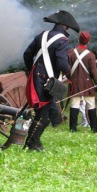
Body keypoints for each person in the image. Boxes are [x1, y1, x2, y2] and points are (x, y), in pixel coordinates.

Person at [23, 10, 80, 151]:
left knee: (51, 113)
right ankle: (31, 143)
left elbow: (27, 54)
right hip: (46, 82)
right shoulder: (62, 40)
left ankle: (34, 142)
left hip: (37, 78)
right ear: (65, 26)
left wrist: (32, 69)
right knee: (43, 115)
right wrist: (70, 73)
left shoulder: (41, 36)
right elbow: (62, 64)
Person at [68, 31, 97, 133]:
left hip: (74, 83)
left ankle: (73, 129)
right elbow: (94, 73)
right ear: (88, 42)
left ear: (79, 40)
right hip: (88, 84)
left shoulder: (71, 53)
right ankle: (94, 129)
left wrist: (70, 78)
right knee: (91, 105)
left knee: (74, 105)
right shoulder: (91, 55)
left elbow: (67, 69)